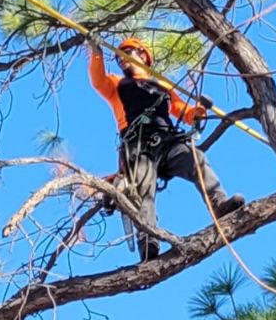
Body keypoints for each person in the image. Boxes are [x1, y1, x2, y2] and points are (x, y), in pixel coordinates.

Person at [88, 37, 245, 262]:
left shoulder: (163, 85)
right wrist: (96, 52)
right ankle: (148, 240)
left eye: (127, 53)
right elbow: (97, 80)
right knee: (143, 189)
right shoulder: (115, 84)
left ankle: (220, 205)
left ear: (143, 55)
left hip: (168, 142)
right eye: (118, 57)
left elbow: (180, 109)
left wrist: (196, 113)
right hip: (138, 145)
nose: (121, 60)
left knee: (196, 159)